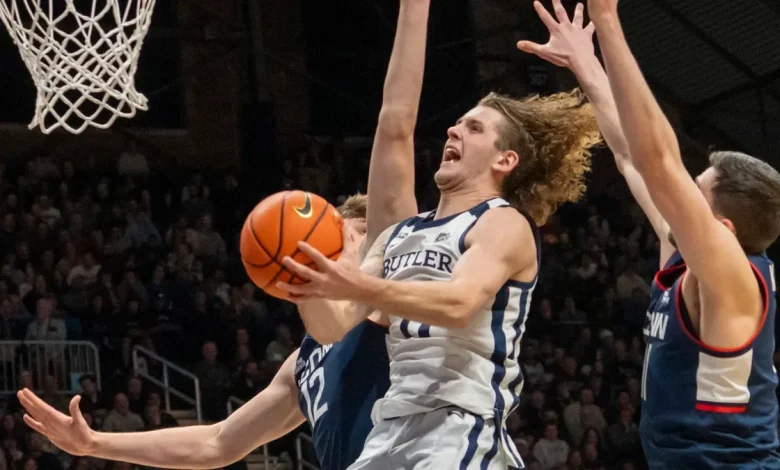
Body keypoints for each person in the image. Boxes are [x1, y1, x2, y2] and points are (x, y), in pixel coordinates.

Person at [18, 0, 432, 466]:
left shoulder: (392, 293)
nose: (334, 243)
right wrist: (95, 443)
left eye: (349, 235)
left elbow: (395, 124)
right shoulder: (304, 364)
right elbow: (218, 442)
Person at [277, 11, 601, 470]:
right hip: (390, 430)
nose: (453, 130)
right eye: (458, 123)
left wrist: (356, 286)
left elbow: (459, 304)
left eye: (474, 128)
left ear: (505, 160)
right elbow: (332, 326)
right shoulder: (399, 235)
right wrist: (302, 279)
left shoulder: (502, 223)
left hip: (459, 428)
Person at [530, 0, 780, 467]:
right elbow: (629, 155)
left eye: (694, 194)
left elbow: (658, 161)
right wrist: (587, 65)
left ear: (724, 230)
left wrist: (608, 22)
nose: (678, 198)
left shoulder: (733, 279)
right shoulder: (683, 250)